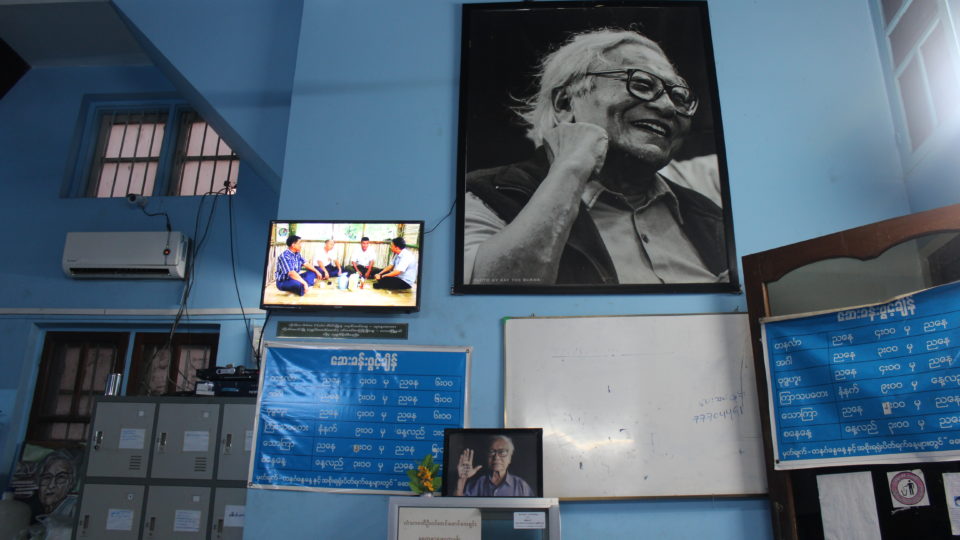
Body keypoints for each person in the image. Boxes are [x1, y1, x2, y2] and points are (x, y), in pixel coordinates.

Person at [463, 28, 729, 286]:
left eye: (679, 96)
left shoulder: (708, 215)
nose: (667, 106)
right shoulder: (484, 197)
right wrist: (572, 169)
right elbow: (495, 301)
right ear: (565, 103)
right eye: (641, 84)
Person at [455, 435, 533, 497]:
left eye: (502, 452)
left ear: (510, 458)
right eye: (492, 452)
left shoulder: (521, 486)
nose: (496, 457)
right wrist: (462, 479)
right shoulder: (477, 483)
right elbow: (459, 507)